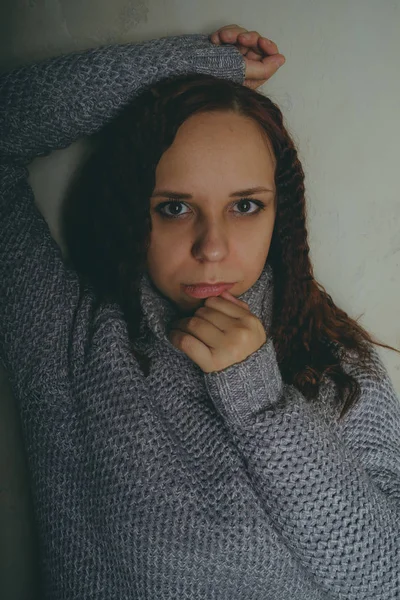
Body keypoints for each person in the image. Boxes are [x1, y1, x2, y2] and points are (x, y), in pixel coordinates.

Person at [0, 22, 399, 600]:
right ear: (135, 211)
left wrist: (259, 399)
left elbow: (388, 581)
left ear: (277, 215)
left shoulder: (332, 358)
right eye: (175, 206)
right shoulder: (67, 338)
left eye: (244, 205)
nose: (211, 247)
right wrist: (183, 67)